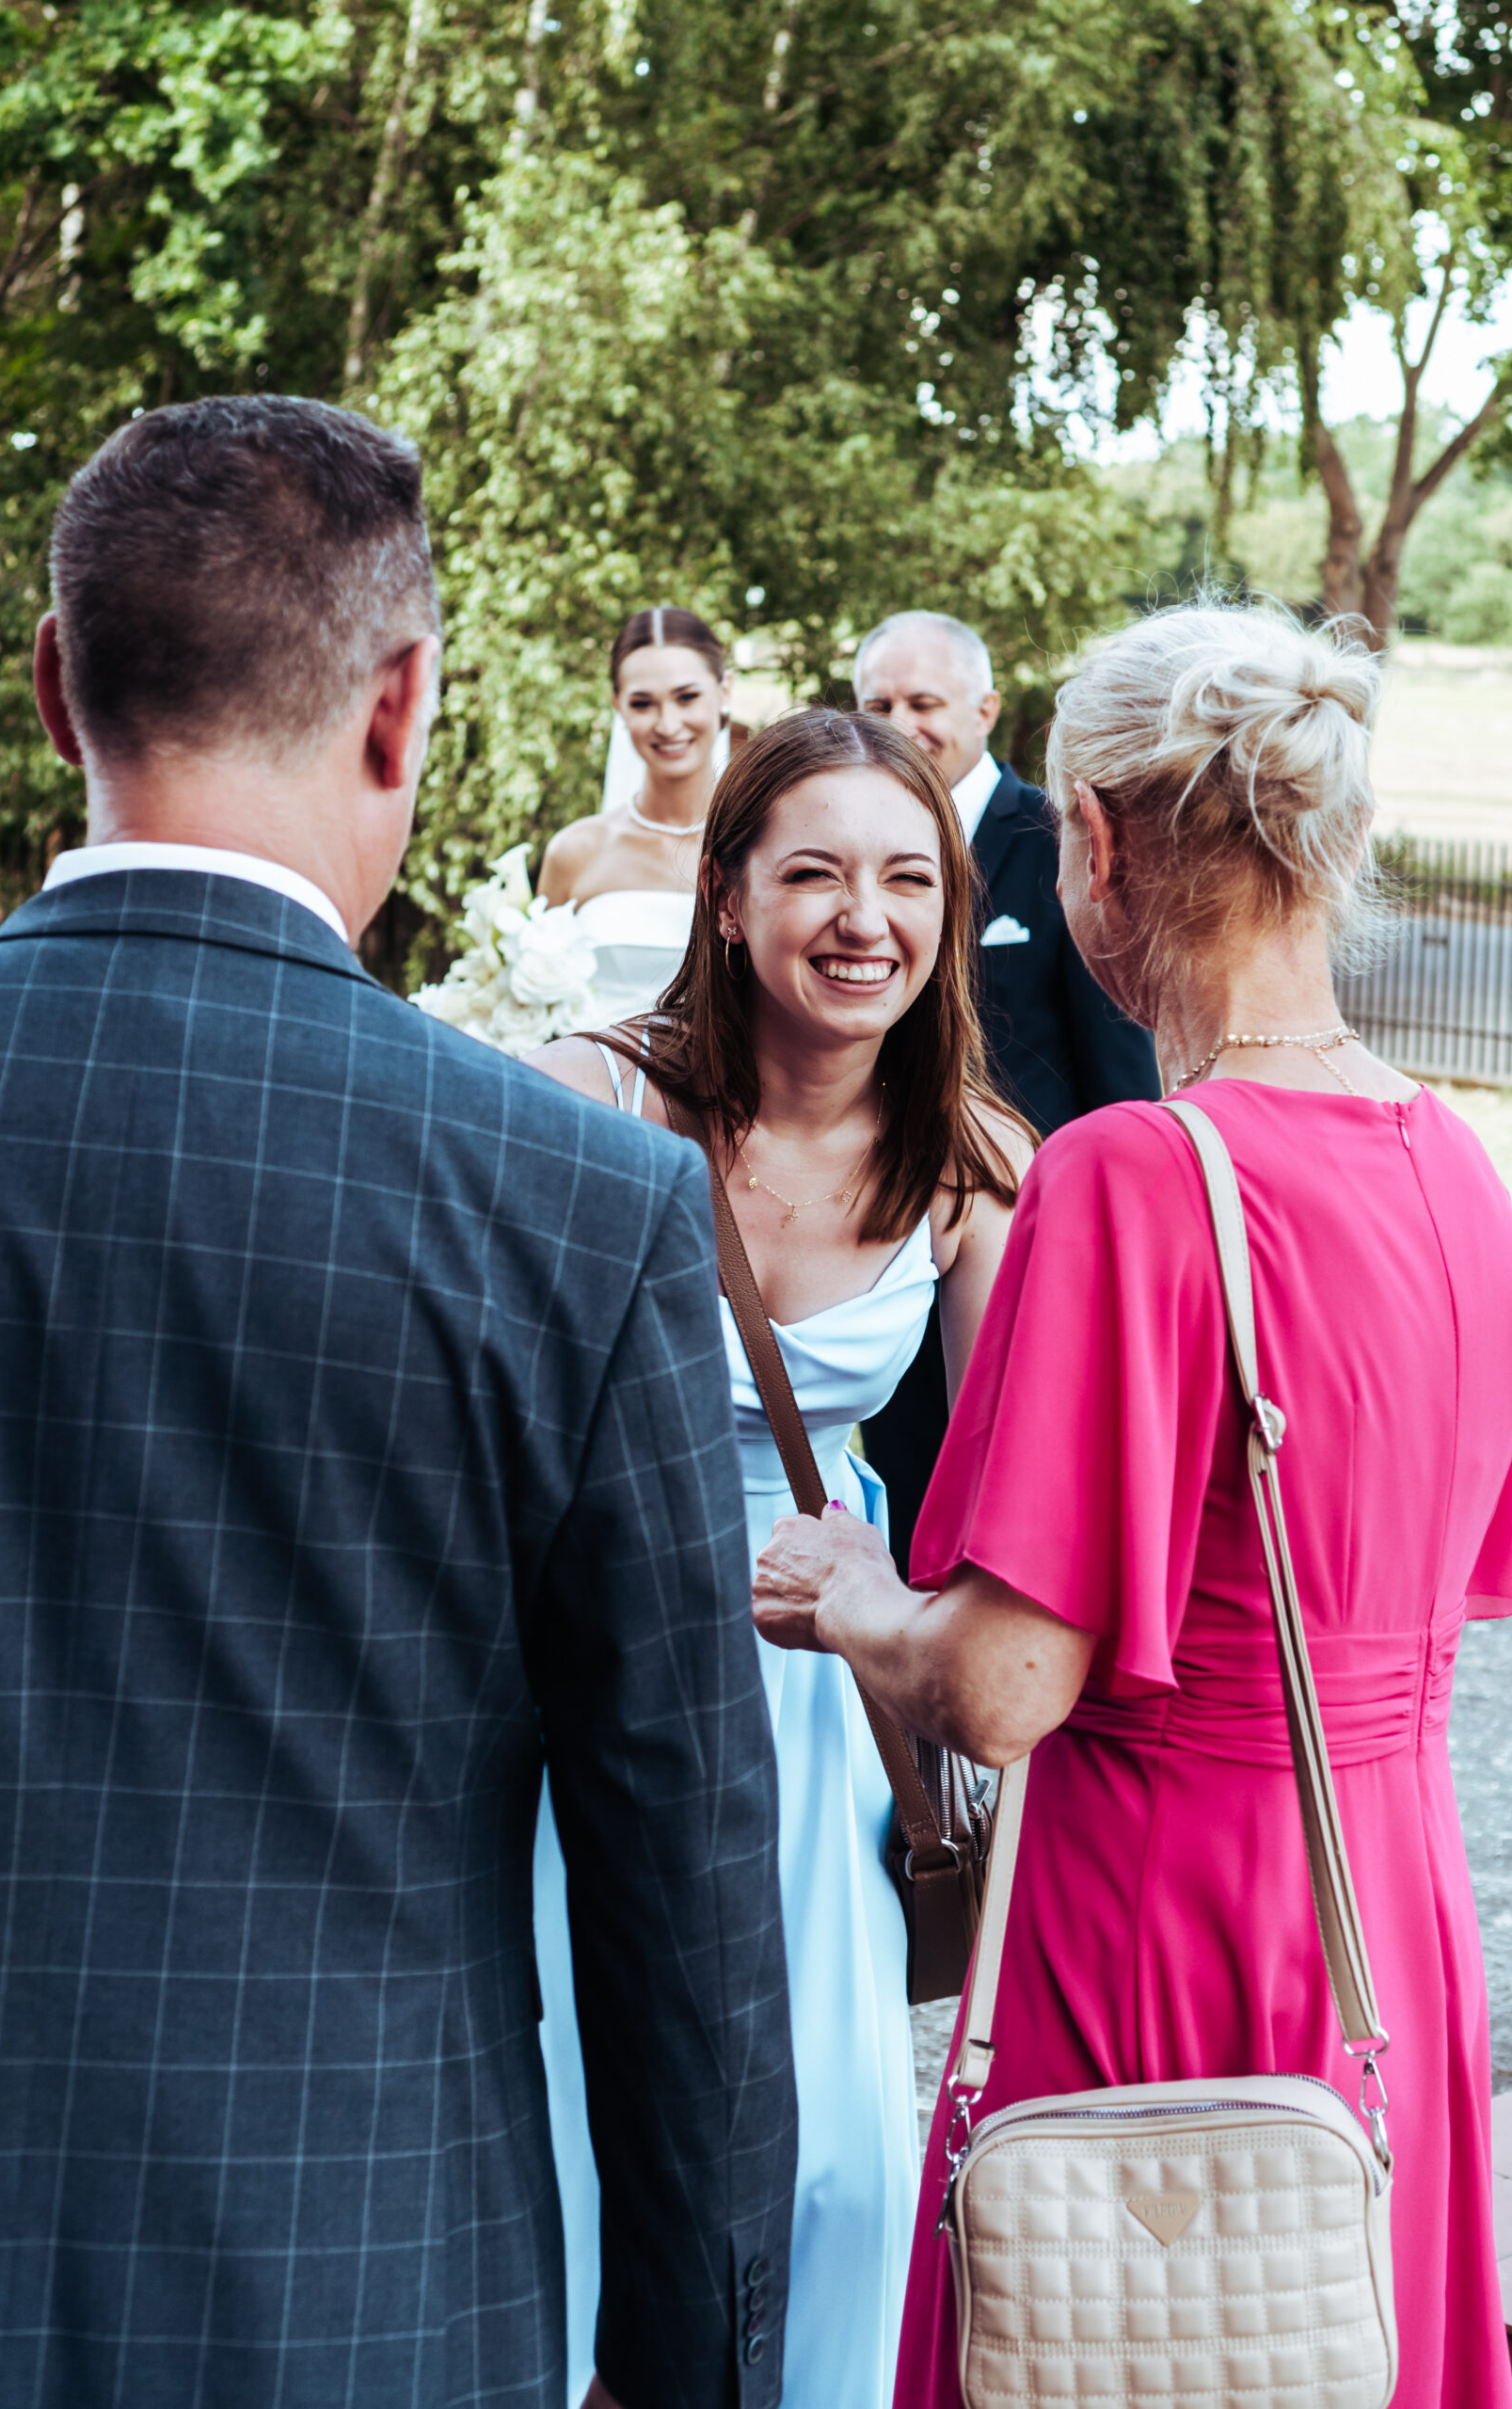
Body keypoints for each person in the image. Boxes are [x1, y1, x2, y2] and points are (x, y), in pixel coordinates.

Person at [0, 395, 797, 2409]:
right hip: (357, 2288)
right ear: (402, 703)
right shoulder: (572, 1202)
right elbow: (684, 1892)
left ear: (59, 682)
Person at [754, 602, 1512, 2409]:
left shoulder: (1132, 1176)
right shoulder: (1453, 1167)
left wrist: (851, 1588)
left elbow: (1003, 1686)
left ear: (1091, 843)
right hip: (1385, 1918)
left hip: (1158, 1918)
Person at [528, 709, 1031, 2409]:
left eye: (906, 878)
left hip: (825, 1687)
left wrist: (941, 1650)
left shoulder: (970, 1166)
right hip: (595, 1639)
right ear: (726, 895)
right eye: (811, 870)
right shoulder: (591, 1098)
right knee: (576, 2109)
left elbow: (1030, 1491)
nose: (861, 916)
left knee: (824, 2146)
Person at [853, 609, 1162, 1572]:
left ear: (985, 708)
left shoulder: (1055, 841)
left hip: (1034, 1235)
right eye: (877, 705)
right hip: (888, 1231)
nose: (901, 722)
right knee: (908, 1494)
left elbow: (1117, 1068)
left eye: (924, 702)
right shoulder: (857, 846)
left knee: (1019, 1503)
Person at [539, 606, 740, 1022]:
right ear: (617, 706)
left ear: (725, 691)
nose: (668, 725)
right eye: (643, 703)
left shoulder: (761, 842)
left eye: (687, 697)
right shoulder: (574, 852)